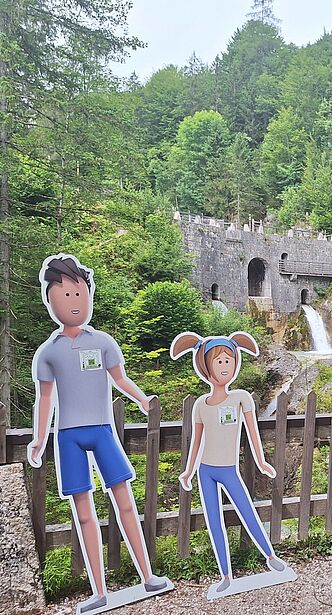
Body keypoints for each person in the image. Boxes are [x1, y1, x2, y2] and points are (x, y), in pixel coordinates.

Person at [27, 254, 169, 613]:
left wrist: (141, 399)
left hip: (103, 430)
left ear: (89, 295)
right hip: (68, 436)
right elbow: (46, 399)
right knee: (84, 514)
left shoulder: (103, 342)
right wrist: (39, 438)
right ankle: (99, 591)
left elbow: (120, 378)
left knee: (125, 502)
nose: (74, 302)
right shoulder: (48, 353)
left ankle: (148, 576)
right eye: (65, 295)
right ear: (50, 300)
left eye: (80, 294)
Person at [171, 331, 287, 594]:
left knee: (247, 511)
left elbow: (253, 432)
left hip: (229, 470)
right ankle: (225, 574)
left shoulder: (240, 398)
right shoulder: (200, 405)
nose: (225, 366)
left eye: (228, 361)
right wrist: (188, 471)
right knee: (215, 522)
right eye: (219, 361)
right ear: (205, 367)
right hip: (206, 471)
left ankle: (270, 556)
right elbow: (196, 442)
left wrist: (261, 461)